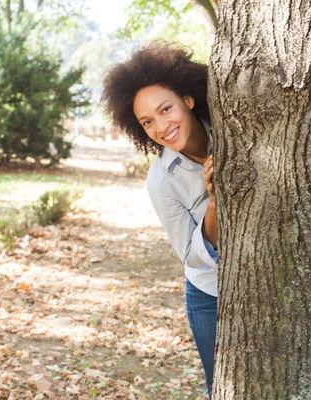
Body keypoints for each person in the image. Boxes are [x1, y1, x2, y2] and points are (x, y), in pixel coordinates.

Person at [101, 42, 218, 398]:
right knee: (224, 388)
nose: (162, 126)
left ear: (189, 100)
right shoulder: (161, 180)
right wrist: (216, 202)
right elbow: (192, 254)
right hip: (209, 293)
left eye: (166, 109)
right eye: (147, 122)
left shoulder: (234, 129)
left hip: (267, 280)